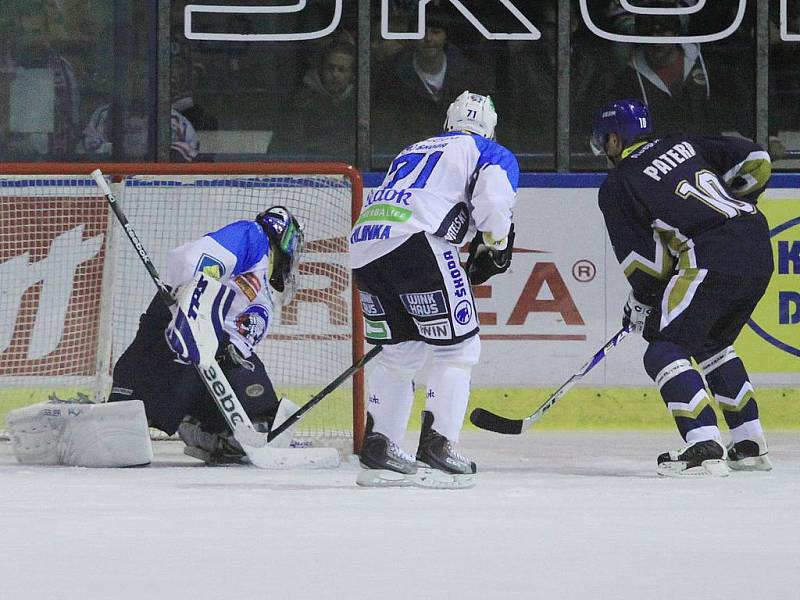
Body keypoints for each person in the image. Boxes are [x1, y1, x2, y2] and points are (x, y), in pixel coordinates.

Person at [590, 98, 774, 477]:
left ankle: (704, 444)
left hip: (711, 255)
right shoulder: (682, 142)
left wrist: (641, 302)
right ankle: (749, 442)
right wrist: (730, 207)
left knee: (663, 350)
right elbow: (758, 160)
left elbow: (649, 267)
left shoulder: (618, 183)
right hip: (756, 242)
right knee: (712, 342)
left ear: (613, 140)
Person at [351, 91, 519, 488]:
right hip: (419, 242)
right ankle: (437, 449)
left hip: (365, 244)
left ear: (448, 121)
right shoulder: (490, 151)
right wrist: (496, 246)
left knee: (400, 352)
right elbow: (494, 201)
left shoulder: (414, 148)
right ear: (491, 129)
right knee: (459, 348)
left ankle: (380, 450)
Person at [108, 207, 304, 464]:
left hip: (211, 354)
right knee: (127, 417)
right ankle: (113, 420)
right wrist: (196, 300)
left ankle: (201, 425)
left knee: (262, 422)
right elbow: (192, 260)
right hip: (177, 332)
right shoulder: (254, 237)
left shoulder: (263, 284)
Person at [371, 8, 493, 156]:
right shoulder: (390, 75)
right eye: (421, 32)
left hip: (459, 156)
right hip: (408, 156)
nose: (428, 39)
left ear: (446, 36)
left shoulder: (470, 75)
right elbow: (385, 128)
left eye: (436, 32)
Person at [276, 40, 356, 159]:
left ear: (352, 74)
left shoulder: (360, 102)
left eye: (342, 70)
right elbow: (288, 146)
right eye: (330, 68)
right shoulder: (299, 101)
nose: (335, 74)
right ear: (320, 69)